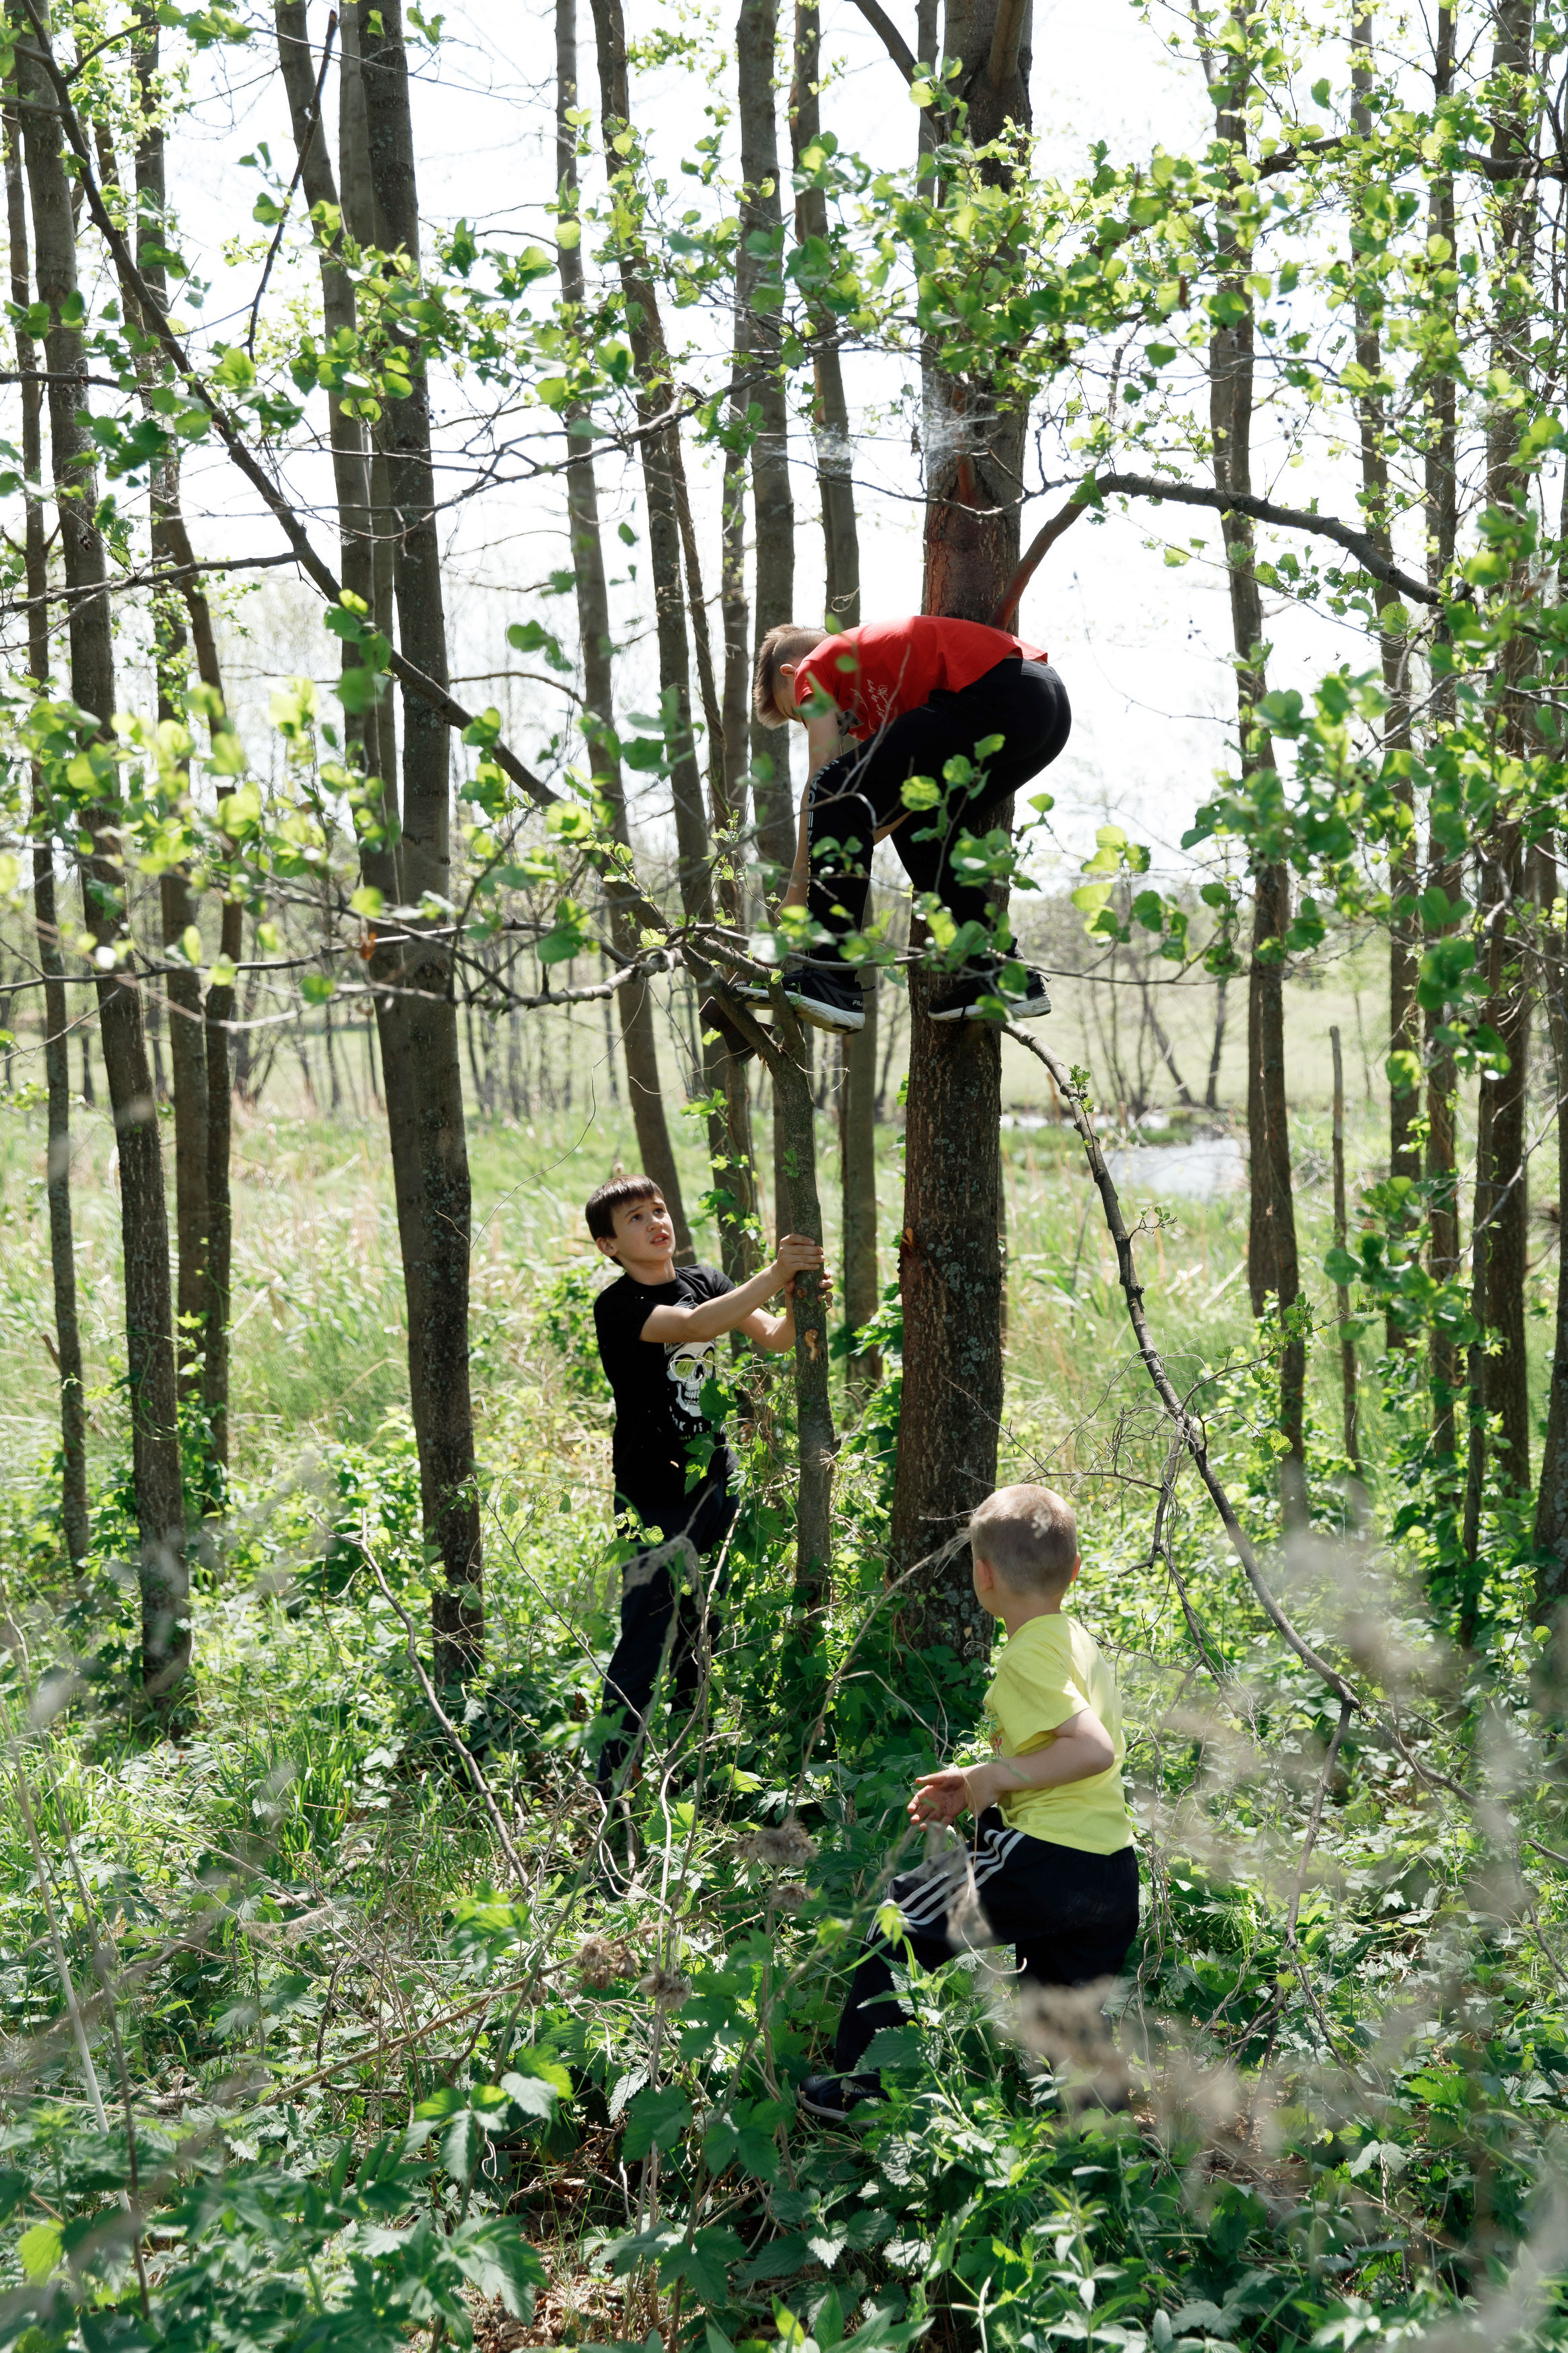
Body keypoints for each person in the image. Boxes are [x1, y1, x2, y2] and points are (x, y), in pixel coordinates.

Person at [798, 1482, 1139, 2124]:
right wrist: (983, 1779)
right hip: (1110, 1869)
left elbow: (1091, 1750)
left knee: (902, 1917)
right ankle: (1096, 2135)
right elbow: (1063, 1750)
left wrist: (987, 1781)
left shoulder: (1027, 1655)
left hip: (1049, 1859)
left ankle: (861, 2093)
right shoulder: (1076, 1640)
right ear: (1074, 1569)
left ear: (982, 1576)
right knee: (1062, 2005)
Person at [586, 1172, 827, 1788]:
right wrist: (774, 1274)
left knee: (701, 1630)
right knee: (646, 1631)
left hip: (714, 1485)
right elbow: (694, 1328)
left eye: (659, 1209)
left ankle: (692, 1772)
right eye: (635, 1218)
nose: (655, 1223)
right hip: (651, 1496)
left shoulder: (709, 1282)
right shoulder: (617, 1308)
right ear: (609, 1245)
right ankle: (610, 1780)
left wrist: (802, 1297)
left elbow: (772, 1339)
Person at [742, 615, 1072, 1035]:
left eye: (799, 710)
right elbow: (868, 818)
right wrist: (843, 837)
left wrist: (796, 892)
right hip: (1045, 713)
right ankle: (1000, 973)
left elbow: (824, 787)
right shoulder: (882, 701)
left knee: (835, 787)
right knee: (924, 829)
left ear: (793, 674)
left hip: (1002, 689)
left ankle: (830, 978)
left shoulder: (817, 663)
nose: (811, 718)